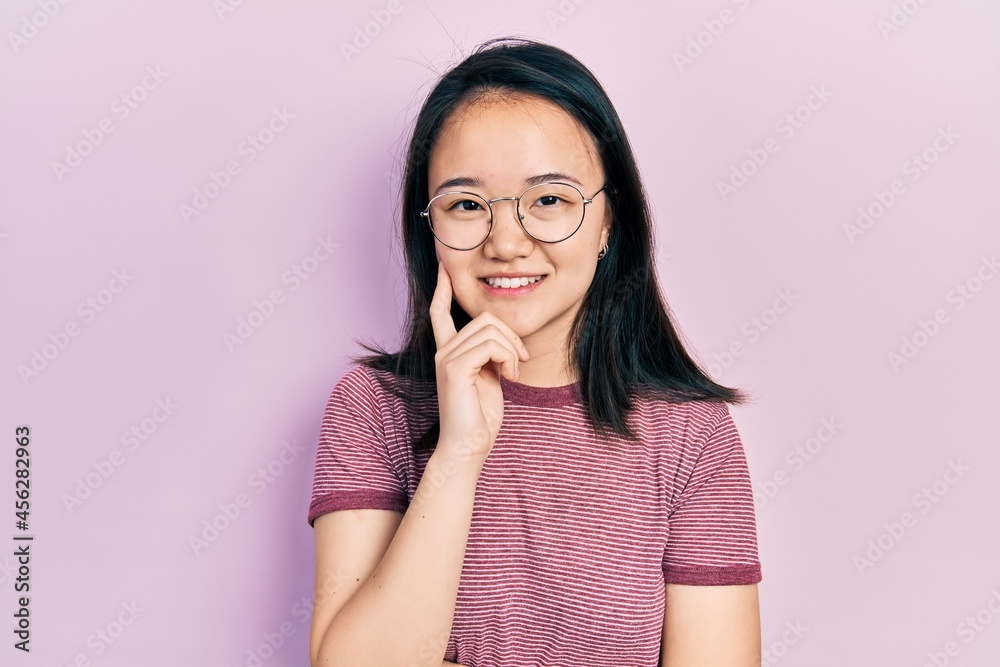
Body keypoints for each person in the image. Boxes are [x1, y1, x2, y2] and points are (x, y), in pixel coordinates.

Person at [307, 36, 763, 667]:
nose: (506, 242)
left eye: (548, 199)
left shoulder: (691, 433)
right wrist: (459, 454)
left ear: (609, 222)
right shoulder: (372, 409)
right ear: (429, 228)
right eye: (467, 205)